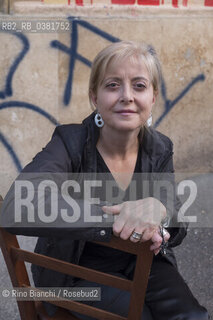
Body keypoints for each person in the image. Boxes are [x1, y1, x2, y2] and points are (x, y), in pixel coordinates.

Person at [1, 41, 210, 319]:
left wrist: (160, 211)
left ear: (153, 96)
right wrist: (112, 220)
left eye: (139, 85)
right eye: (112, 85)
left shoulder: (160, 147)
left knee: (192, 316)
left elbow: (175, 218)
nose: (127, 96)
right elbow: (17, 206)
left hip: (143, 264)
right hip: (74, 275)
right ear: (94, 98)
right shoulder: (70, 142)